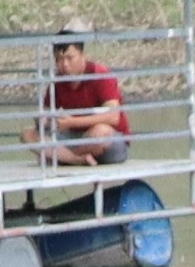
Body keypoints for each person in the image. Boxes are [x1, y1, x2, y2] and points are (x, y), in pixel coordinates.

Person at [37, 31, 127, 166]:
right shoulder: (57, 82)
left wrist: (71, 122)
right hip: (75, 138)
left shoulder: (101, 75)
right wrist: (45, 121)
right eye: (59, 59)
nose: (64, 64)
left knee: (101, 132)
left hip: (108, 141)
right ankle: (75, 159)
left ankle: (62, 157)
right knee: (29, 135)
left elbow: (113, 117)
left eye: (69, 58)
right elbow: (45, 113)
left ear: (82, 55)